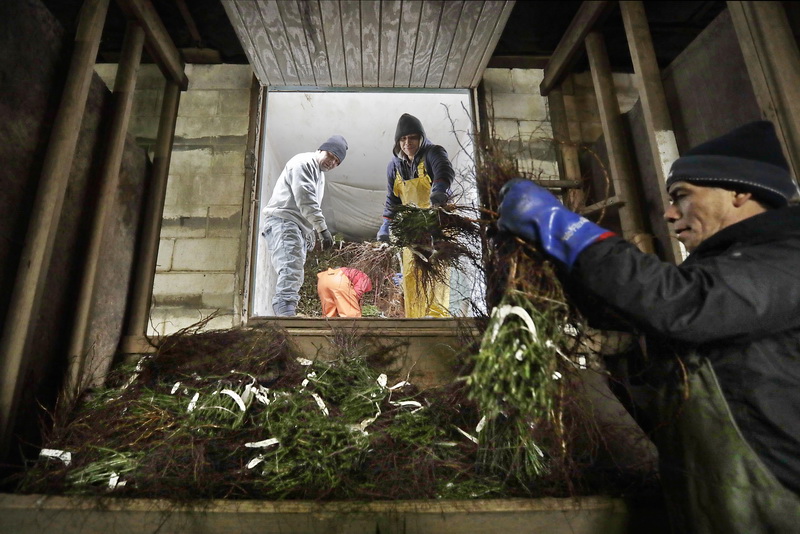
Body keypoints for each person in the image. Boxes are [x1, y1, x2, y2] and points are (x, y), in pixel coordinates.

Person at [496, 121, 800, 533]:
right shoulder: (729, 270)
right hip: (719, 505)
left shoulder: (788, 257)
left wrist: (560, 227)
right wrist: (555, 267)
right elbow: (643, 315)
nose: (670, 213)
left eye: (681, 196)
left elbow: (683, 305)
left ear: (739, 191)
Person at [376, 113, 454, 318]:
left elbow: (443, 170)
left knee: (437, 273)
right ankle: (416, 319)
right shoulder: (394, 166)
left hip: (436, 226)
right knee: (411, 275)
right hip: (411, 231)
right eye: (402, 139)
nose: (407, 143)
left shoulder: (433, 153)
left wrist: (439, 190)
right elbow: (392, 199)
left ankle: (438, 319)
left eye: (412, 138)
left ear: (421, 138)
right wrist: (385, 225)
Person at [261, 135, 347, 316]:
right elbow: (305, 199)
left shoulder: (319, 174)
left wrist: (309, 234)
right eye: (330, 156)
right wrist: (322, 230)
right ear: (320, 150)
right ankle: (284, 308)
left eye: (336, 161)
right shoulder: (304, 162)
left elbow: (306, 205)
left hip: (294, 224)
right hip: (284, 221)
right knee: (291, 265)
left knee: (294, 267)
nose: (331, 162)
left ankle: (286, 307)